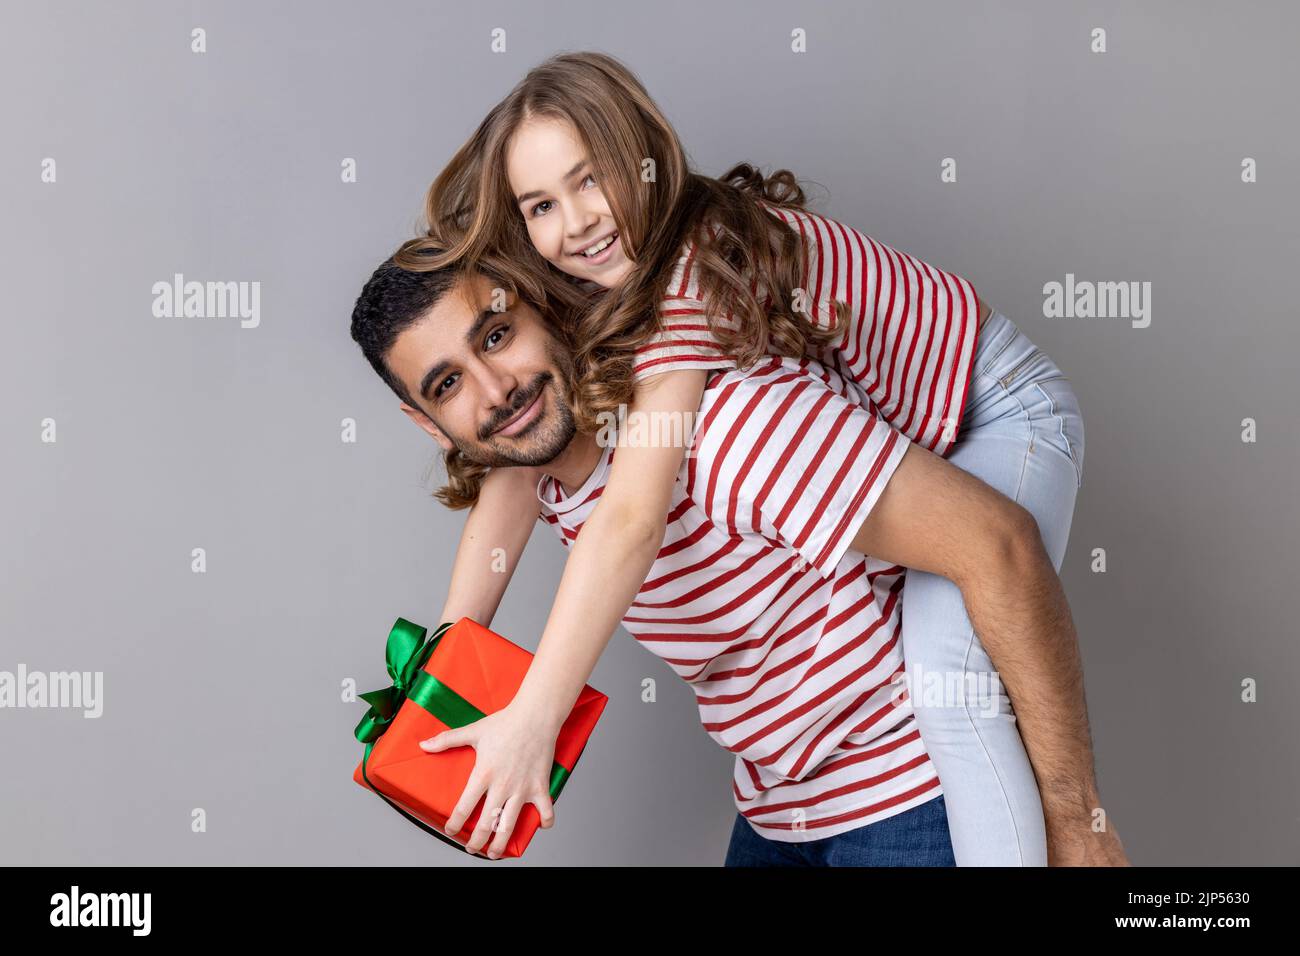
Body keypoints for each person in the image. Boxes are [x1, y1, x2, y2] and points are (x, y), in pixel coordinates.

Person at [387, 51, 1098, 864]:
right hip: (915, 429)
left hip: (995, 401)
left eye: (592, 181)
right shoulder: (591, 308)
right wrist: (440, 675)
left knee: (948, 672)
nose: (577, 222)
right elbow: (509, 488)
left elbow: (630, 517)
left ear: (645, 152)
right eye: (542, 205)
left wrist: (538, 714)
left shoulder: (684, 282)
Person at [349, 253, 1128, 866]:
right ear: (428, 423)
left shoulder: (732, 428)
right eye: (450, 383)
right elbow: (506, 501)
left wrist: (1078, 819)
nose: (496, 387)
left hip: (912, 797)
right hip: (781, 806)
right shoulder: (535, 460)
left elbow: (1002, 547)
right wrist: (434, 697)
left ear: (544, 307)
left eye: (496, 334)